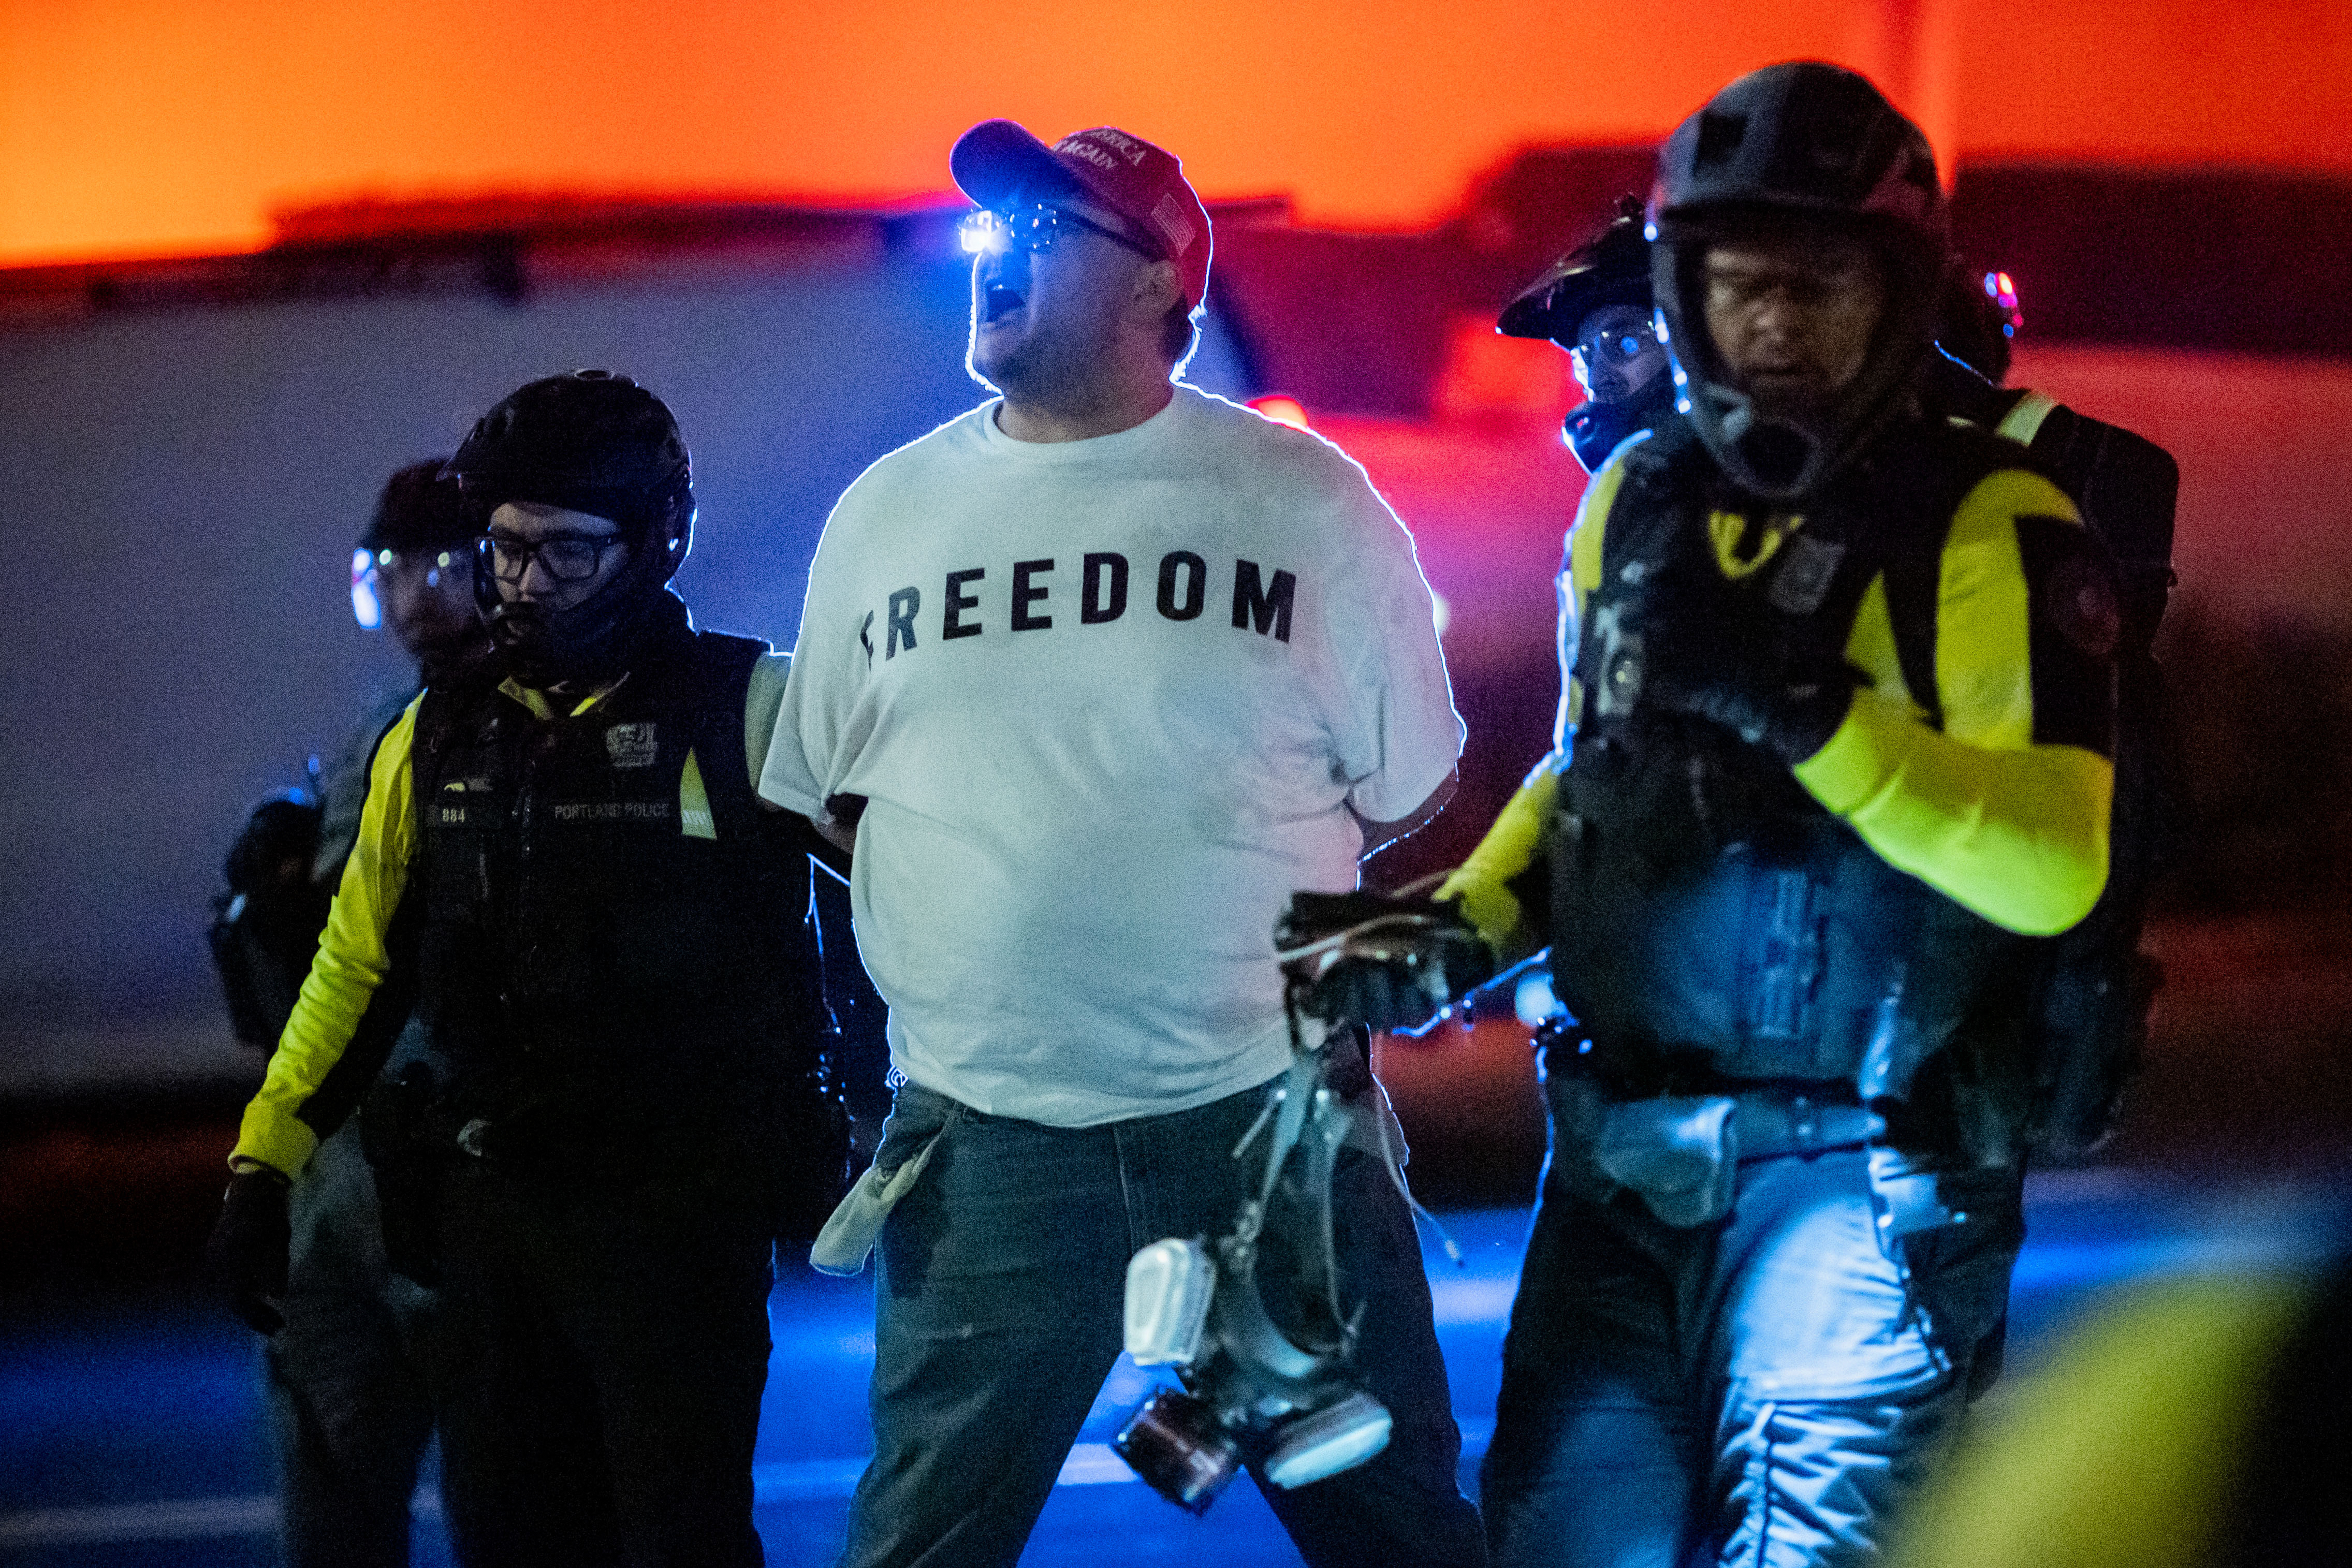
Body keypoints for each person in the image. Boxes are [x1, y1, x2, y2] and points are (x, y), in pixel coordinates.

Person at [760, 120, 1487, 1568]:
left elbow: (1409, 784)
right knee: (917, 1544)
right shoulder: (885, 512)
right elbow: (825, 793)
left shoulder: (1300, 501)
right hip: (991, 1140)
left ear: (1161, 281)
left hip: (1263, 1136)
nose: (992, 258)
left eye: (1041, 233)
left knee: (1396, 1537)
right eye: (987, 233)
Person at [1426, 64, 2120, 1565]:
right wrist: (1448, 929)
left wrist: (1803, 710)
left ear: (1893, 296)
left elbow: (2053, 861)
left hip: (1859, 1198)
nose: (1772, 325)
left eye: (1816, 287)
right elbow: (1583, 780)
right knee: (1557, 1537)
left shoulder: (1990, 521)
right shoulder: (1635, 500)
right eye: (1735, 287)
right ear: (1681, 293)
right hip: (1609, 1174)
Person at [207, 371, 843, 1568]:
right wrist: (264, 1163)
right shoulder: (435, 732)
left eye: (566, 553)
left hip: (678, 1217)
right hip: (490, 1210)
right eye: (503, 553)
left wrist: (891, 1113)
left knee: (679, 1537)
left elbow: (915, 901)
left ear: (658, 542)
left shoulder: (750, 707)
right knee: (509, 1537)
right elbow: (354, 968)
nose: (525, 585)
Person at [234, 461, 486, 1568]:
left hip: (466, 1166)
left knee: (511, 1489)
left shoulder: (527, 729)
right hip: (343, 1173)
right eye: (393, 572)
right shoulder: (383, 727)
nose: (416, 598)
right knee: (333, 1475)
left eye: (441, 566)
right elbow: (326, 973)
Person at [1497, 194, 1680, 475]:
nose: (1597, 378)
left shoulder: (1748, 473)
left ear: (1684, 340)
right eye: (1586, 358)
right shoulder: (1619, 491)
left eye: (1623, 345)